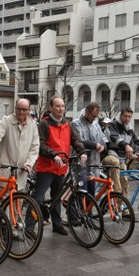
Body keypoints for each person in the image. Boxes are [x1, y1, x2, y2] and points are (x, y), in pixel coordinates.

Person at [28, 96, 87, 236]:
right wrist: (53, 155)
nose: (61, 109)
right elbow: (40, 144)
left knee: (57, 197)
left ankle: (57, 224)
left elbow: (75, 139)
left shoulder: (67, 124)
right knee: (38, 197)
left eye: (62, 106)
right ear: (51, 108)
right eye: (58, 106)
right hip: (46, 167)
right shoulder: (44, 124)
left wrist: (82, 151)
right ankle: (29, 227)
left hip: (61, 168)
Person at [103, 107, 139, 207]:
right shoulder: (112, 125)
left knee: (125, 183)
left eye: (129, 117)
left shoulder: (129, 128)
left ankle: (125, 210)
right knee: (115, 167)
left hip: (122, 158)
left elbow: (136, 142)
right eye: (125, 116)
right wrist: (126, 146)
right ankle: (117, 196)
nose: (127, 119)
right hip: (110, 154)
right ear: (120, 115)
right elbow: (114, 137)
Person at [0, 98, 39, 199]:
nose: (21, 112)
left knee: (17, 206)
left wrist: (29, 163)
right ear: (15, 108)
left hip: (21, 172)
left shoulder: (32, 125)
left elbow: (35, 147)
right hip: (4, 170)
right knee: (3, 206)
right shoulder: (6, 121)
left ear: (29, 110)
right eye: (18, 109)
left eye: (24, 109)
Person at [71, 102, 107, 195]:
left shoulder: (95, 124)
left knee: (91, 192)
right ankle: (76, 209)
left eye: (96, 116)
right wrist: (95, 145)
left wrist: (103, 147)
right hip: (80, 164)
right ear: (87, 112)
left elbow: (103, 139)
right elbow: (78, 141)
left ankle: (89, 210)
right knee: (81, 191)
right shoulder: (76, 123)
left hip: (94, 164)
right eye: (93, 116)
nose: (94, 118)